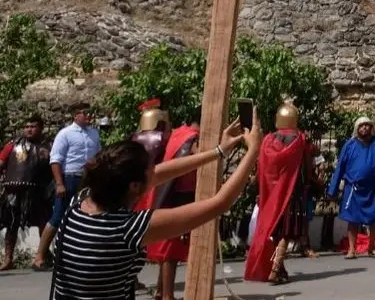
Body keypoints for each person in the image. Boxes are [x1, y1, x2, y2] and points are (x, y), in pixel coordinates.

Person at [50, 118, 257, 300]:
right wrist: (253, 151)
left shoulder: (81, 201)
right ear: (134, 186)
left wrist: (218, 152)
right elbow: (219, 204)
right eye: (150, 166)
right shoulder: (127, 228)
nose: (155, 169)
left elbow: (157, 174)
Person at [245, 101, 319, 285]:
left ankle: (280, 270)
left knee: (276, 231)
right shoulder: (300, 139)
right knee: (286, 231)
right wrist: (311, 181)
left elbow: (262, 166)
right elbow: (306, 166)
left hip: (271, 191)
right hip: (292, 190)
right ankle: (276, 267)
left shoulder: (269, 140)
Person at [137, 119, 200, 300]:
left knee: (166, 248)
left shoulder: (176, 134)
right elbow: (199, 154)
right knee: (171, 251)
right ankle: (167, 295)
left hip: (165, 193)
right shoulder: (191, 138)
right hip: (178, 196)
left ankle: (160, 290)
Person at [38, 103, 102, 269]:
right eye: (86, 113)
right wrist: (59, 183)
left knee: (87, 214)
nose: (89, 116)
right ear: (76, 115)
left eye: (91, 113)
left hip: (87, 178)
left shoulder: (94, 133)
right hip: (69, 177)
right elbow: (55, 159)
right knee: (58, 215)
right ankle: (39, 255)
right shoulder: (65, 134)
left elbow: (98, 154)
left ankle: (80, 256)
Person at [328, 116, 375, 259]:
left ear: (371, 128)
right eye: (361, 125)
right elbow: (340, 168)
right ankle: (352, 249)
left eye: (367, 125)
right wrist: (332, 189)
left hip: (373, 188)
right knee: (353, 220)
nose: (364, 128)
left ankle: (371, 247)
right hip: (354, 188)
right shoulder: (349, 145)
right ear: (357, 128)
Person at [0, 116, 51, 271]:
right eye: (27, 126)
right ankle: (8, 259)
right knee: (11, 225)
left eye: (33, 126)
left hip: (39, 191)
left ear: (40, 128)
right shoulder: (13, 145)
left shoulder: (48, 146)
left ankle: (42, 256)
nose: (29, 129)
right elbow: (1, 162)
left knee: (44, 223)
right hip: (14, 192)